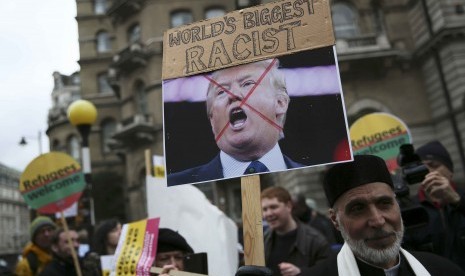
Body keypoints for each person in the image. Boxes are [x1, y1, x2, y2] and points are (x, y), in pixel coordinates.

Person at [306, 154, 465, 275]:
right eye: (358, 208)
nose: (377, 220)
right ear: (335, 220)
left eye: (384, 203)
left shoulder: (443, 270)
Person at [168, 59, 303, 185]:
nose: (233, 95)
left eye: (247, 84)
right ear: (212, 120)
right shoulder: (176, 183)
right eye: (221, 92)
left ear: (280, 103)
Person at [402, 141, 465, 270]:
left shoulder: (462, 196)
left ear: (450, 171)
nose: (428, 171)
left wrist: (457, 201)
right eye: (421, 168)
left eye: (434, 165)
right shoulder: (411, 209)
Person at [261, 186, 331, 276]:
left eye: (273, 207)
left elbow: (328, 270)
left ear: (289, 206)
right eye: (265, 209)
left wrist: (301, 273)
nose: (268, 214)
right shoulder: (263, 240)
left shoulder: (316, 240)